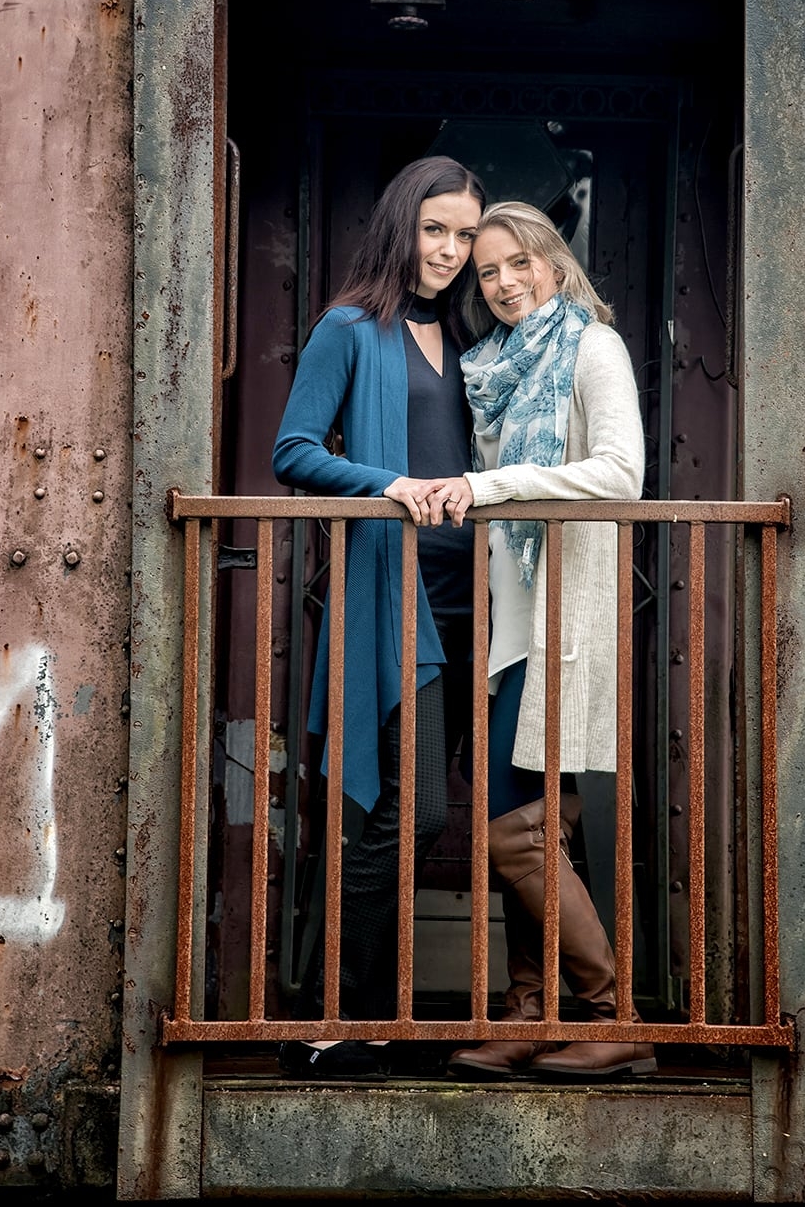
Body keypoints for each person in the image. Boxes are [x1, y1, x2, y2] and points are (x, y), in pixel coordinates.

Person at [426, 200, 656, 1081]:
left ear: (553, 265)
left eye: (518, 263)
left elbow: (620, 470)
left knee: (511, 834)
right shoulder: (492, 368)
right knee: (521, 828)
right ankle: (529, 1011)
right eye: (487, 273)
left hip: (562, 617)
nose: (504, 283)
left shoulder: (591, 347)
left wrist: (493, 484)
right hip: (511, 627)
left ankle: (610, 1010)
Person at [270, 155, 485, 1079]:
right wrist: (390, 485)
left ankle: (363, 1012)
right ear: (405, 226)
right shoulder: (349, 328)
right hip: (393, 596)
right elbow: (293, 449)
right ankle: (338, 1012)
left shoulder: (475, 337)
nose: (449, 250)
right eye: (435, 229)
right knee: (407, 809)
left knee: (410, 812)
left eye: (466, 234)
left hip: (467, 597)